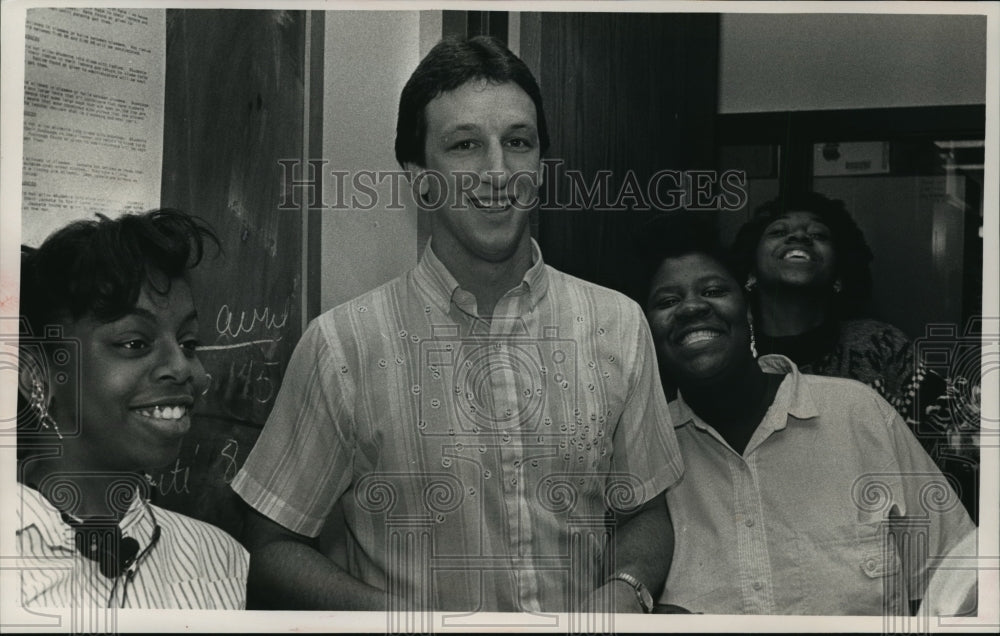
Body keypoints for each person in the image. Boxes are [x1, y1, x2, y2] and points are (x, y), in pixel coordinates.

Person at [232, 35, 682, 613]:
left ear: (540, 165)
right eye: (465, 145)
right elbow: (272, 550)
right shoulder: (343, 346)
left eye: (518, 142)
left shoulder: (617, 324)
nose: (497, 171)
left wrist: (628, 590)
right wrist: (405, 621)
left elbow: (644, 510)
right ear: (419, 175)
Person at [641, 218, 976, 614]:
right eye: (666, 301)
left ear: (748, 310)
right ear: (644, 331)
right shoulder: (647, 450)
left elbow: (956, 579)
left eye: (714, 290)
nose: (692, 306)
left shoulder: (859, 415)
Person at [15, 209, 248, 609]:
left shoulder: (223, 563)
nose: (183, 368)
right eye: (134, 343)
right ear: (38, 373)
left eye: (189, 343)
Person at [731, 192, 979, 519]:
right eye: (778, 232)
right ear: (749, 273)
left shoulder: (878, 346)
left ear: (838, 275)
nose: (799, 236)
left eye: (818, 234)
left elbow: (958, 445)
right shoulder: (729, 352)